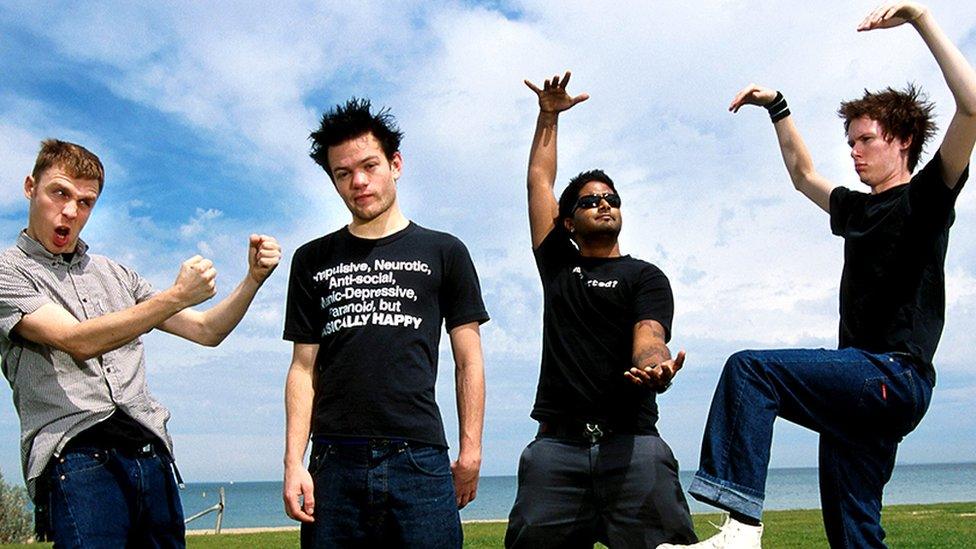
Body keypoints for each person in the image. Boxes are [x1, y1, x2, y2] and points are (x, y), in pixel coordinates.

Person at [659, 3, 976, 548]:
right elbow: (803, 175)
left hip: (891, 376)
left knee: (751, 373)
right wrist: (777, 105)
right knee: (854, 533)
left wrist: (921, 19)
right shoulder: (856, 209)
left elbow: (972, 108)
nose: (853, 152)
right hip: (860, 396)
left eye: (865, 140)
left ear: (900, 141)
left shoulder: (926, 197)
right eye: (849, 141)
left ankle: (739, 530)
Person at [0, 139, 282, 546]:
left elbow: (206, 331)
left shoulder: (117, 274)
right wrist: (176, 295)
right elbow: (75, 340)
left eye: (85, 202)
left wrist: (252, 280)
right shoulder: (9, 272)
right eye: (59, 193)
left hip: (151, 454)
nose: (70, 211)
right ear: (30, 187)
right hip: (78, 457)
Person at [281, 98, 489, 548]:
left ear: (395, 164)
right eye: (342, 173)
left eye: (369, 166)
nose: (358, 181)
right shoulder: (311, 259)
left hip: (420, 457)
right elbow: (302, 368)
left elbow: (468, 360)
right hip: (334, 462)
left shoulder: (445, 251)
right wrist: (293, 462)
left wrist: (470, 449)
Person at [504, 72, 697, 548]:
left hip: (633, 445)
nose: (603, 204)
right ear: (568, 222)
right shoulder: (557, 265)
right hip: (556, 449)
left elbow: (649, 337)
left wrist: (655, 367)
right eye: (590, 201)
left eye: (611, 199)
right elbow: (538, 180)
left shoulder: (645, 277)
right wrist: (548, 116)